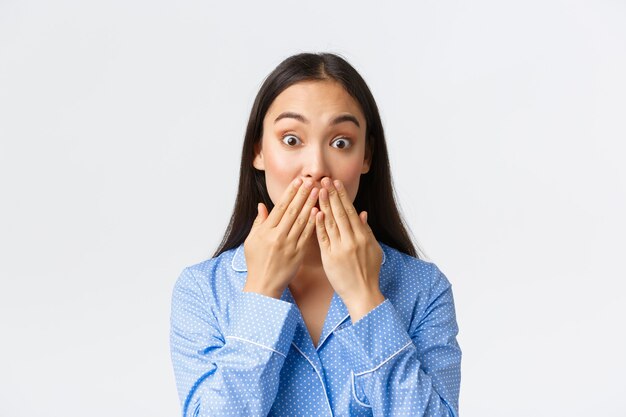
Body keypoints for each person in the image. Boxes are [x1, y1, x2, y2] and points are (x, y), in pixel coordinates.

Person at [170, 52, 462, 417]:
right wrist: (262, 290)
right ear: (258, 151)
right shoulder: (203, 291)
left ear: (366, 156)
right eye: (292, 140)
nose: (317, 168)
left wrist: (364, 297)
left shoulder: (424, 289)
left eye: (340, 143)